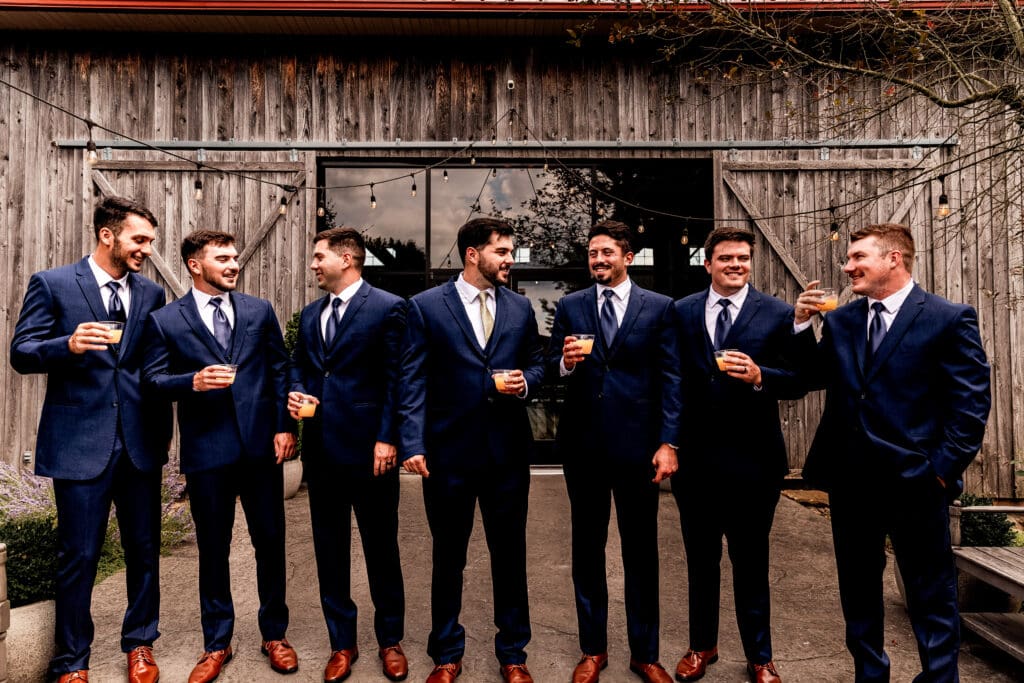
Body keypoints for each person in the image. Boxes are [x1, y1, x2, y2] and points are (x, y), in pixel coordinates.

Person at [795, 223, 990, 683]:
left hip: (917, 484)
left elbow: (970, 404)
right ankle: (870, 675)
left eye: (858, 257)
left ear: (893, 259)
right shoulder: (841, 320)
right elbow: (809, 376)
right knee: (858, 592)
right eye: (849, 258)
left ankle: (939, 679)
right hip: (851, 483)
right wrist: (802, 326)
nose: (847, 267)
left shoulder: (948, 317)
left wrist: (940, 471)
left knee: (931, 594)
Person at [10, 196, 171, 683]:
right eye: (139, 239)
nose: (146, 249)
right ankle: (72, 659)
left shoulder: (150, 295)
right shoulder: (53, 284)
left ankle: (140, 644)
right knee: (79, 554)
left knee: (144, 549)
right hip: (80, 443)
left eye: (150, 242)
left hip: (140, 444)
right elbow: (22, 352)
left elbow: (152, 367)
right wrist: (68, 345)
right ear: (108, 235)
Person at [142, 230, 298, 683]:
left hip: (261, 448)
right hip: (208, 452)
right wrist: (191, 381)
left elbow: (280, 369)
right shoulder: (165, 320)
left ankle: (275, 634)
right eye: (223, 258)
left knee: (270, 543)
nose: (233, 264)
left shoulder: (258, 310)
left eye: (234, 257)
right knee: (213, 550)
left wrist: (287, 428)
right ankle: (217, 642)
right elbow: (152, 380)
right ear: (194, 264)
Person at [399, 217, 545, 683]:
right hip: (448, 455)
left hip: (506, 455)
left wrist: (526, 384)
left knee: (510, 555)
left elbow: (538, 363)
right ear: (472, 254)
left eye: (510, 251)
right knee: (448, 557)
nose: (510, 260)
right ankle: (446, 652)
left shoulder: (520, 309)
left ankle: (514, 653)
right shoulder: (424, 307)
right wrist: (412, 441)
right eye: (502, 251)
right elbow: (412, 380)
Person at [671, 227, 811, 683]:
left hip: (755, 462)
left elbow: (798, 379)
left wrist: (757, 375)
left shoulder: (777, 313)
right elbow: (670, 381)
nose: (736, 265)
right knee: (700, 560)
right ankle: (701, 646)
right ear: (707, 262)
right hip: (696, 462)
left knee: (751, 562)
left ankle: (760, 655)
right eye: (727, 258)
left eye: (744, 259)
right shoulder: (682, 311)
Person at [547, 220, 680, 683]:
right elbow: (549, 366)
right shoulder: (571, 305)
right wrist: (563, 361)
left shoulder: (660, 308)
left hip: (639, 449)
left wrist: (668, 443)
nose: (598, 260)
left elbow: (672, 379)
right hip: (583, 448)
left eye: (606, 253)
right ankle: (593, 649)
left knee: (641, 552)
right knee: (587, 548)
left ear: (627, 256)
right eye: (592, 253)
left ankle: (646, 653)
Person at [287, 227, 409, 683]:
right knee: (329, 551)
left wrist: (389, 437)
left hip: (371, 451)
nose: (314, 264)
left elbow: (400, 379)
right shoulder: (310, 313)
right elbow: (300, 363)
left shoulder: (389, 307)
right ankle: (342, 642)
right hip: (322, 452)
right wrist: (298, 393)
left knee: (382, 550)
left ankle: (390, 640)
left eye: (320, 257)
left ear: (348, 258)